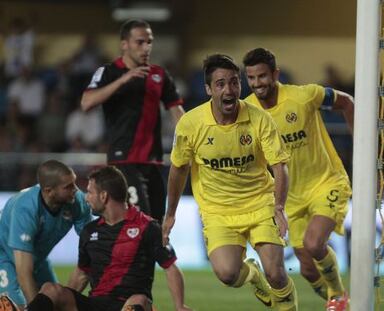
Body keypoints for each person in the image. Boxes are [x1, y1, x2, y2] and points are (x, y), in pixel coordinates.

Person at [162, 54, 298, 310]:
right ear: (208, 89)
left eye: (234, 82)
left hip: (260, 204)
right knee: (227, 274)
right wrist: (171, 213)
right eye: (221, 84)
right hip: (218, 211)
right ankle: (253, 275)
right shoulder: (190, 124)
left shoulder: (259, 119)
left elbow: (279, 165)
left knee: (277, 273)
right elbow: (179, 169)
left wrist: (279, 208)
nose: (229, 90)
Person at [242, 48, 354, 311]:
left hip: (326, 182)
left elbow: (347, 102)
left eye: (262, 76)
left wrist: (362, 144)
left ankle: (338, 296)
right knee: (306, 269)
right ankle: (340, 302)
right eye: (251, 78)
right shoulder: (247, 111)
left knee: (315, 244)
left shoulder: (305, 96)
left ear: (275, 74)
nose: (257, 83)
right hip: (289, 197)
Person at [10, 166, 190, 311]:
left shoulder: (148, 227)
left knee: (139, 300)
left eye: (89, 192)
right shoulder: (90, 231)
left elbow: (171, 267)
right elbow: (81, 274)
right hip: (94, 304)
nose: (86, 198)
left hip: (128, 304)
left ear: (104, 196)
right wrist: (59, 301)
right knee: (50, 289)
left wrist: (179, 306)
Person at [80, 19, 185, 223]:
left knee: (155, 223)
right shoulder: (109, 72)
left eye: (149, 42)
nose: (146, 47)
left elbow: (177, 112)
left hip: (153, 161)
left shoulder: (159, 75)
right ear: (124, 44)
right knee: (140, 222)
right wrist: (124, 79)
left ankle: (156, 255)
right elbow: (86, 102)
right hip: (124, 161)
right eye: (140, 42)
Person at [0, 160, 92, 310]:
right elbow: (23, 272)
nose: (75, 189)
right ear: (49, 191)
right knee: (19, 306)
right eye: (68, 187)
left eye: (74, 183)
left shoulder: (77, 202)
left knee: (57, 299)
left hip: (37, 258)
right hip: (5, 256)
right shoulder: (25, 209)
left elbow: (91, 248)